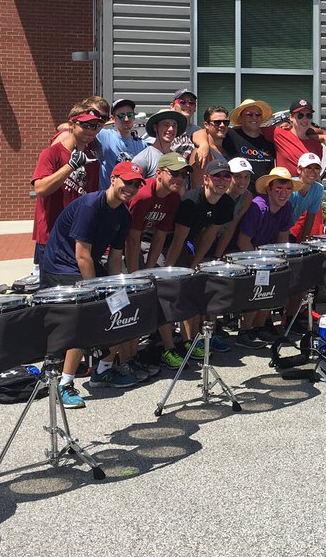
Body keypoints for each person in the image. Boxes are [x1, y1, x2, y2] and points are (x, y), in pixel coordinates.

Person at [39, 161, 145, 401]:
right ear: (114, 179)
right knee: (86, 316)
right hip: (61, 267)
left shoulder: (123, 214)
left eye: (137, 184)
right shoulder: (90, 205)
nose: (131, 188)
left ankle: (103, 371)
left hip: (84, 264)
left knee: (122, 307)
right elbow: (82, 255)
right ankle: (64, 385)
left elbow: (116, 258)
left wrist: (118, 287)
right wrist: (95, 292)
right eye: (127, 181)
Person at [30, 105, 104, 408]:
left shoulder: (93, 157)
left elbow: (91, 197)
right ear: (72, 125)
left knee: (78, 308)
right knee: (54, 309)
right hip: (51, 240)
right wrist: (68, 168)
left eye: (95, 126)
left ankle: (68, 368)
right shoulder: (53, 153)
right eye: (85, 125)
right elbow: (40, 189)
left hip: (78, 240)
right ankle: (52, 366)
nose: (89, 130)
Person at [163, 158, 237, 365]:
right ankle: (172, 343)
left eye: (226, 176)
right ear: (206, 179)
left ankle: (191, 340)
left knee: (194, 289)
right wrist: (170, 270)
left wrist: (195, 263)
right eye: (217, 176)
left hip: (187, 243)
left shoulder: (226, 202)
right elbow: (177, 239)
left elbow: (209, 235)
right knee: (173, 289)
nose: (222, 181)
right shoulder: (192, 201)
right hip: (165, 242)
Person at [123, 153, 192, 374]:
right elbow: (131, 239)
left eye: (183, 174)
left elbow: (161, 236)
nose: (180, 179)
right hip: (120, 245)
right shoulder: (143, 195)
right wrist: (137, 275)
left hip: (145, 241)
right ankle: (123, 356)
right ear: (160, 172)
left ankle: (166, 345)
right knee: (133, 296)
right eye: (174, 173)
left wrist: (151, 270)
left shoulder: (173, 198)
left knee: (159, 286)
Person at [233, 166, 300, 348]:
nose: (283, 193)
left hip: (267, 255)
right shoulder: (258, 207)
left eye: (287, 189)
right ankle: (245, 330)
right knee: (260, 283)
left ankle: (260, 326)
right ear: (269, 189)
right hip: (246, 254)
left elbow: (283, 238)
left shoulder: (287, 208)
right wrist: (261, 264)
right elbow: (242, 241)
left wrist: (280, 262)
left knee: (276, 281)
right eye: (278, 188)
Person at [222, 98, 277, 182]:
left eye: (258, 115)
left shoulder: (269, 140)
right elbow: (204, 132)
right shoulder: (230, 134)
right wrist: (203, 144)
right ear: (240, 118)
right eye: (249, 114)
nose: (254, 118)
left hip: (264, 192)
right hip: (238, 192)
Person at [97, 97, 146, 178]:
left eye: (130, 115)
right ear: (113, 118)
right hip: (108, 189)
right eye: (121, 116)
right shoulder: (103, 136)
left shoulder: (142, 145)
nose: (126, 119)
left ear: (134, 117)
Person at [133, 108, 189, 176]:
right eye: (166, 125)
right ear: (155, 127)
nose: (171, 129)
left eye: (174, 125)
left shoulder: (178, 158)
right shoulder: (143, 159)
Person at [189, 105, 230, 187]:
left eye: (225, 122)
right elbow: (198, 187)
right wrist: (204, 144)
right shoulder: (202, 152)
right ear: (206, 125)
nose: (222, 125)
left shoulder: (229, 145)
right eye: (217, 122)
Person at [288, 152, 325, 241]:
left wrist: (304, 242)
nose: (312, 172)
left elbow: (310, 218)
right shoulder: (289, 187)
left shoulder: (318, 189)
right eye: (308, 168)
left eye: (316, 168)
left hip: (287, 229)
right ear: (299, 170)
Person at [169, 88, 199, 157]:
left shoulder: (198, 131)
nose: (187, 105)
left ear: (195, 108)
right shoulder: (164, 129)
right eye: (182, 102)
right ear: (172, 106)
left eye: (191, 102)